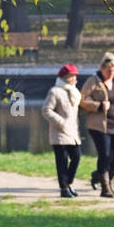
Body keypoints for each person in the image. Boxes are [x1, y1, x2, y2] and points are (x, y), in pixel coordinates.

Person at [80, 52, 114, 198]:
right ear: (102, 68)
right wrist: (98, 105)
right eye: (108, 70)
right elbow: (82, 100)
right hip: (99, 125)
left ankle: (100, 176)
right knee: (105, 155)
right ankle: (105, 187)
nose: (111, 73)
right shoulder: (93, 81)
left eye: (113, 71)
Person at [43, 63, 83, 198]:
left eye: (75, 76)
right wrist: (60, 122)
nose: (75, 78)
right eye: (73, 76)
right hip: (59, 133)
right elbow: (46, 110)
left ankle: (69, 183)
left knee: (77, 157)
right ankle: (63, 188)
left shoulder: (75, 92)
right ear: (66, 77)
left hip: (73, 133)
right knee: (62, 161)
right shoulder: (55, 91)